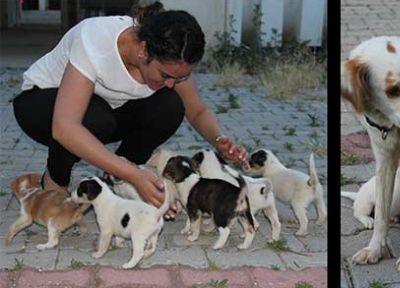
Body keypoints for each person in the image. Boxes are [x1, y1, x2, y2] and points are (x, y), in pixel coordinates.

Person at [12, 2, 249, 219]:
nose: (171, 82)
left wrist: (219, 140)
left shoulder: (173, 58)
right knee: (96, 118)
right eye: (165, 75)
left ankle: (113, 182)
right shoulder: (95, 41)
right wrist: (134, 174)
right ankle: (54, 180)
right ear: (143, 50)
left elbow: (196, 111)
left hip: (101, 113)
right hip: (40, 105)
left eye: (181, 77)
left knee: (170, 105)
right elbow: (65, 127)